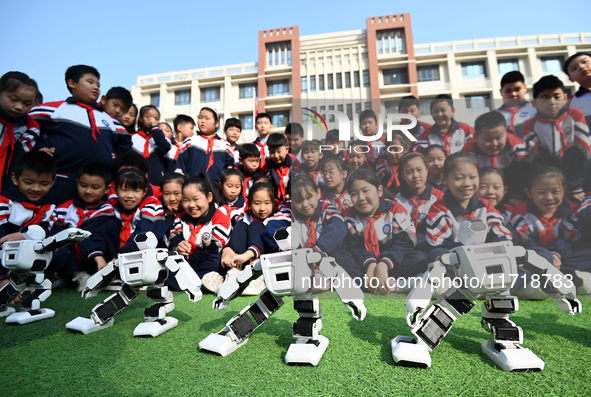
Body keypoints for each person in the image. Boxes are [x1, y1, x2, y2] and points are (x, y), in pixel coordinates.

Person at [30, 65, 131, 204]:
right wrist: (40, 147)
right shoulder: (54, 109)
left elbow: (125, 142)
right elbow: (28, 126)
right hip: (61, 179)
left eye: (98, 84)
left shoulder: (108, 118)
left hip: (97, 187)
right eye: (90, 82)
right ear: (72, 83)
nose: (96, 87)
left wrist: (118, 157)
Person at [425, 153, 512, 268]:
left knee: (512, 248)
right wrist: (468, 252)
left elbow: (499, 234)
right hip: (458, 260)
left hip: (486, 255)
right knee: (435, 256)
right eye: (458, 178)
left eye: (472, 177)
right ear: (444, 179)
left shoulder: (485, 206)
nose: (467, 184)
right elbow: (437, 244)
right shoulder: (439, 209)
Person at [76, 168, 168, 274]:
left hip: (143, 259)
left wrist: (119, 259)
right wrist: (99, 258)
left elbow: (144, 237)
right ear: (115, 190)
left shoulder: (151, 204)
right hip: (112, 260)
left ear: (144, 192)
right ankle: (106, 271)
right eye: (124, 189)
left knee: (147, 236)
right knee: (108, 224)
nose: (129, 195)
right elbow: (86, 231)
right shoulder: (110, 205)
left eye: (136, 190)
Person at [344, 168, 419, 294]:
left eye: (366, 191)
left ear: (379, 191)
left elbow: (406, 241)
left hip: (392, 263)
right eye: (354, 194)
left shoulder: (396, 209)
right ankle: (388, 282)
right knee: (341, 258)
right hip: (365, 265)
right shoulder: (349, 215)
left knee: (419, 258)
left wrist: (384, 264)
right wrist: (370, 263)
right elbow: (353, 246)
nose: (361, 198)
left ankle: (378, 281)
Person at [522, 75, 591, 203]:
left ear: (565, 98)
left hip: (583, 181)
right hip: (553, 187)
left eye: (556, 97)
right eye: (545, 97)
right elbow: (538, 160)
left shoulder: (575, 115)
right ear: (534, 103)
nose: (552, 101)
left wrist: (575, 186)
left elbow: (583, 150)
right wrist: (555, 187)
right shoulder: (530, 126)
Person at [168, 173, 231, 291]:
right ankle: (200, 281)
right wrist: (178, 247)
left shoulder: (219, 218)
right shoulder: (181, 218)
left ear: (209, 197)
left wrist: (190, 260)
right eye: (186, 200)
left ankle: (207, 279)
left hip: (205, 260)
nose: (191, 205)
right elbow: (173, 238)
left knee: (217, 259)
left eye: (196, 199)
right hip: (186, 261)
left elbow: (215, 248)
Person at [508, 166, 578, 269]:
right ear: (529, 193)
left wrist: (556, 254)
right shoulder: (519, 213)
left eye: (555, 192)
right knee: (539, 256)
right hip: (536, 255)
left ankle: (569, 272)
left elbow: (567, 239)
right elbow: (527, 242)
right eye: (541, 193)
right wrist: (548, 257)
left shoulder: (573, 211)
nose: (549, 197)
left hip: (564, 254)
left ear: (564, 191)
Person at [462, 111, 527, 200]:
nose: (494, 143)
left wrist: (516, 197)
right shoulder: (467, 152)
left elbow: (522, 175)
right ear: (475, 137)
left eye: (499, 137)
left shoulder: (518, 147)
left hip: (512, 189)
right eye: (488, 139)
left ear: (506, 132)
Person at [0, 151, 56, 246]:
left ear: (52, 182)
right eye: (28, 183)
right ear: (15, 179)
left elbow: (48, 235)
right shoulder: (5, 203)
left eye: (44, 184)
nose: (36, 189)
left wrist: (24, 236)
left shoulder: (49, 208)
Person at [394, 153, 444, 253]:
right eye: (409, 172)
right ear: (403, 176)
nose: (416, 176)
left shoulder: (439, 197)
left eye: (419, 170)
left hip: (433, 244)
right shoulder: (397, 200)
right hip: (406, 245)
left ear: (427, 171)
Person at [0, 71, 40, 194]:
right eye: (13, 99)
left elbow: (17, 162)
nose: (19, 107)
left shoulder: (30, 127)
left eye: (27, 103)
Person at [221, 182, 277, 268]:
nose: (262, 208)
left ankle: (255, 264)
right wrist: (226, 249)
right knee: (240, 225)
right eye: (257, 203)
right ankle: (236, 264)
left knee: (256, 225)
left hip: (264, 256)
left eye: (267, 203)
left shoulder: (277, 219)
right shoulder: (243, 218)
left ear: (273, 203)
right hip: (241, 256)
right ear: (250, 203)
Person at [176, 106, 234, 184]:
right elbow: (180, 167)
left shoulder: (225, 145)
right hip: (193, 187)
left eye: (207, 118)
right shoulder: (190, 141)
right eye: (200, 117)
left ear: (216, 123)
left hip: (217, 190)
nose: (202, 121)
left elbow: (229, 170)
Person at [54, 162, 111, 229]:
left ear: (107, 189)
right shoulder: (64, 210)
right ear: (77, 183)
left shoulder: (110, 212)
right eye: (83, 186)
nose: (88, 191)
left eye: (95, 187)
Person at [131, 105, 172, 185]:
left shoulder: (162, 138)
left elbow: (165, 147)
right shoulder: (132, 137)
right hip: (135, 179)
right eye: (148, 117)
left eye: (156, 119)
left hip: (155, 180)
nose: (152, 121)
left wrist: (154, 128)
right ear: (140, 118)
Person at [495, 71, 536, 137]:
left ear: (525, 88)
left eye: (517, 89)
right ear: (501, 92)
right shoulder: (495, 116)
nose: (513, 94)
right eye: (508, 91)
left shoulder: (536, 109)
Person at [563, 52, 591, 126]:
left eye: (584, 62)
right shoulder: (572, 103)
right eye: (574, 68)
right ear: (571, 79)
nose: (581, 67)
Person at [264, 132, 291, 203]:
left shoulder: (295, 164)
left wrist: (290, 194)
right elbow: (269, 184)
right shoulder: (267, 166)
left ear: (287, 149)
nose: (276, 156)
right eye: (272, 152)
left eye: (279, 152)